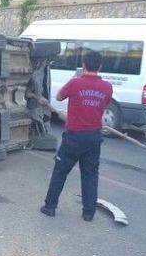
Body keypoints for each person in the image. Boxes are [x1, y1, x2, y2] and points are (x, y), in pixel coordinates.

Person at [40, 50, 112, 221]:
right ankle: (88, 212)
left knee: (60, 172)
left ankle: (50, 206)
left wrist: (75, 79)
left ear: (83, 65)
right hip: (94, 137)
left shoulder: (75, 84)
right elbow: (104, 103)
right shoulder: (107, 87)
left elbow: (58, 96)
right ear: (100, 66)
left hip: (74, 137)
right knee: (90, 174)